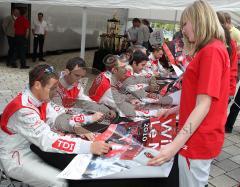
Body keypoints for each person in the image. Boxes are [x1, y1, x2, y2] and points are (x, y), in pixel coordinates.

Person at [148, 1, 230, 187]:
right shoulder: (213, 48)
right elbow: (199, 95)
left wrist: (174, 146)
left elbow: (204, 104)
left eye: (185, 24)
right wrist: (176, 109)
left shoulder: (211, 51)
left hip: (197, 138)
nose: (183, 30)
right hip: (200, 135)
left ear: (198, 19)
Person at [0, 64, 110, 187]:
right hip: (16, 156)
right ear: (37, 85)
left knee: (68, 167)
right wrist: (89, 147)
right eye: (52, 88)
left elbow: (59, 118)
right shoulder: (22, 111)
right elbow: (47, 140)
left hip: (33, 145)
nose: (55, 92)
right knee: (59, 182)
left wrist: (79, 128)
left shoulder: (38, 97)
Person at [89, 54, 163, 118]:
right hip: (99, 115)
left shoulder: (107, 75)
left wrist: (129, 99)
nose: (126, 70)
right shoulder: (108, 88)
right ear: (115, 70)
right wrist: (156, 112)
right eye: (123, 67)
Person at [52, 57, 117, 121]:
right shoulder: (54, 84)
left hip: (69, 113)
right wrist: (89, 118)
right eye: (77, 75)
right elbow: (58, 112)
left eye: (82, 76)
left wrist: (105, 110)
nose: (79, 79)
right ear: (66, 72)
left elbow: (84, 101)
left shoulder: (76, 83)